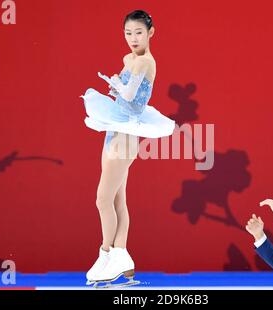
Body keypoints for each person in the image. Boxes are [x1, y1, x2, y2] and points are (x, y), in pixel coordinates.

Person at [80, 10, 175, 286]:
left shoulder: (145, 62)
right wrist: (117, 84)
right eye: (128, 33)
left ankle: (106, 253)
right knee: (118, 199)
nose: (133, 39)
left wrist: (116, 83)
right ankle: (122, 257)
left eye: (139, 33)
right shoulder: (129, 59)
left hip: (126, 133)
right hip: (116, 128)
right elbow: (123, 94)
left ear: (151, 33)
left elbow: (131, 96)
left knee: (102, 199)